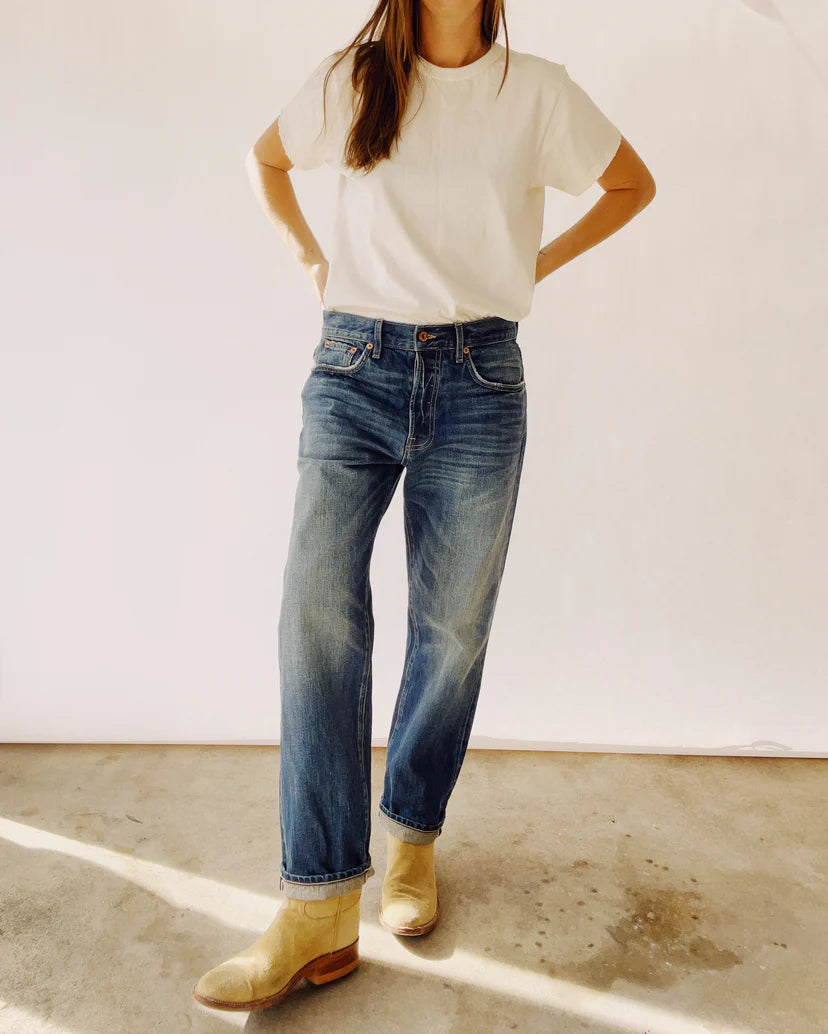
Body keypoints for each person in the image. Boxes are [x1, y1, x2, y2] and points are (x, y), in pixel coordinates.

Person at [193, 0, 655, 1014]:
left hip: (480, 376)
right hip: (353, 365)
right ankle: (316, 903)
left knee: (451, 628)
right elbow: (263, 160)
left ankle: (412, 834)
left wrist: (533, 263)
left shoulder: (537, 93)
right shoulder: (355, 77)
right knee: (316, 612)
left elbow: (634, 183)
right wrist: (316, 262)